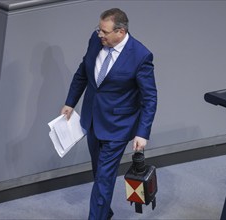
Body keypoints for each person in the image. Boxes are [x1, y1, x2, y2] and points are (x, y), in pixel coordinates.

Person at [61, 8, 157, 220]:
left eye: (104, 31)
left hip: (118, 127)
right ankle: (105, 210)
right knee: (99, 172)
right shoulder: (96, 41)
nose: (100, 34)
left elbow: (150, 98)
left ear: (120, 32)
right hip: (92, 120)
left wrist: (143, 133)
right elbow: (82, 72)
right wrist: (70, 103)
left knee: (104, 177)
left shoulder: (141, 56)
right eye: (99, 30)